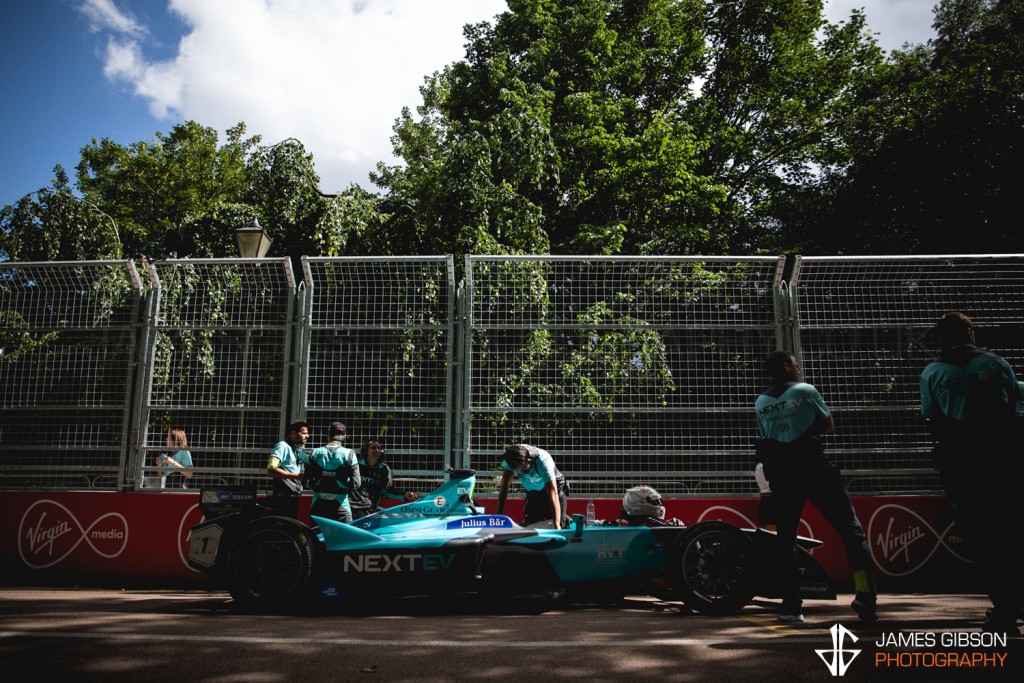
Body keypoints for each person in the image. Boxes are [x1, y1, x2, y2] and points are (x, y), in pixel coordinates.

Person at [755, 351, 877, 623]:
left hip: (783, 474)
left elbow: (768, 437)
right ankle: (866, 596)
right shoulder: (805, 390)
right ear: (787, 366)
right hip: (813, 467)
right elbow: (828, 425)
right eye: (795, 365)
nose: (798, 369)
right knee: (851, 530)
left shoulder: (761, 401)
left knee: (785, 537)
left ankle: (791, 604)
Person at [919, 311, 1022, 635]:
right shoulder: (995, 364)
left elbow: (931, 418)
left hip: (961, 465)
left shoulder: (933, 372)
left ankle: (1004, 604)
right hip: (1001, 459)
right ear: (969, 332)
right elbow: (1014, 409)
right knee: (1012, 528)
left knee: (980, 536)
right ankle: (1013, 598)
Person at [496, 444, 569, 529]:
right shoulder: (510, 459)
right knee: (531, 526)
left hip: (554, 488)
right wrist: (498, 516)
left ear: (529, 460)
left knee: (556, 524)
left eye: (524, 469)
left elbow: (553, 494)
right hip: (533, 490)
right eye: (518, 471)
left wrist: (557, 525)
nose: (522, 473)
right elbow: (504, 487)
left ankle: (564, 522)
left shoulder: (543, 461)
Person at [349, 440, 420, 519]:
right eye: (373, 447)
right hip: (349, 506)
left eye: (379, 448)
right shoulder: (355, 465)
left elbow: (387, 490)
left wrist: (404, 494)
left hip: (367, 508)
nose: (377, 450)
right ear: (366, 451)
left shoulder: (384, 469)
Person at [306, 422, 360, 523]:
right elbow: (356, 483)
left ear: (328, 434)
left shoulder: (314, 452)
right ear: (344, 437)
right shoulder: (350, 454)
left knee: (317, 537)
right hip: (341, 505)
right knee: (345, 537)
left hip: (318, 504)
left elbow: (305, 482)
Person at [266, 419, 310, 518]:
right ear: (293, 433)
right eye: (304, 433)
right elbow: (271, 469)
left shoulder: (297, 451)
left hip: (294, 497)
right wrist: (296, 476)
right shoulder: (282, 446)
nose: (307, 436)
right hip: (283, 498)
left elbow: (311, 461)